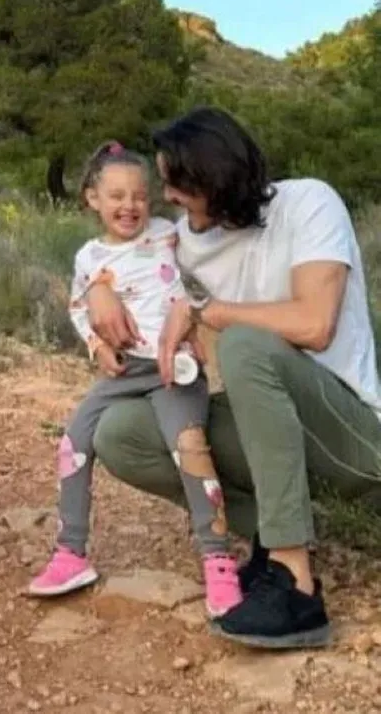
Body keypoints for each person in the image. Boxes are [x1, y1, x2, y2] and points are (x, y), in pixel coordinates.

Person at [85, 106, 381, 650]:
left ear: (215, 182)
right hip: (275, 432)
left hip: (352, 438)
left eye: (178, 186)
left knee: (245, 343)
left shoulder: (309, 203)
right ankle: (280, 529)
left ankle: (295, 586)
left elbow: (315, 325)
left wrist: (209, 311)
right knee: (122, 434)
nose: (168, 197)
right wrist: (98, 289)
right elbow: (114, 254)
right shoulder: (183, 239)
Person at [28, 140, 244, 619]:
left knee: (189, 447)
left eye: (140, 196)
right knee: (74, 443)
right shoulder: (88, 257)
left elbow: (207, 267)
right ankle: (71, 552)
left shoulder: (169, 234)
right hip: (125, 370)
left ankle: (218, 560)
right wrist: (98, 346)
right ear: (92, 199)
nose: (129, 206)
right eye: (117, 196)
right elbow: (79, 309)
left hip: (173, 368)